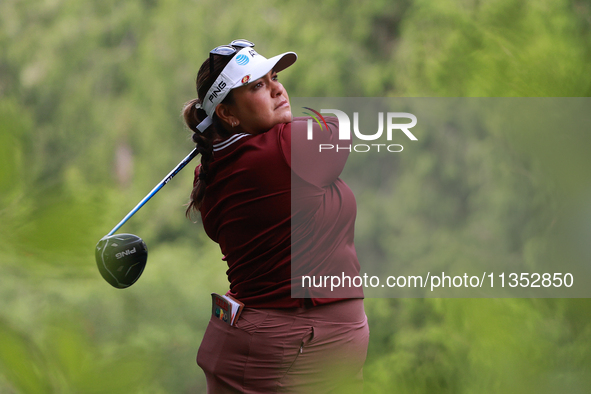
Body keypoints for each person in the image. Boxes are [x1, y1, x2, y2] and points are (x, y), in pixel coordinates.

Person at [182, 39, 369, 393]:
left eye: (274, 77)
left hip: (275, 346)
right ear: (226, 113)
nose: (278, 89)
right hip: (288, 352)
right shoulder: (287, 147)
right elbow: (335, 127)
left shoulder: (211, 170)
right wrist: (276, 126)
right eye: (257, 85)